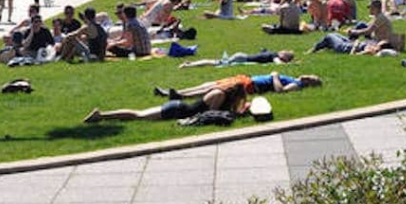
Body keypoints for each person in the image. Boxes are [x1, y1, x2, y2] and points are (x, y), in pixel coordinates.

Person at [83, 84, 247, 124]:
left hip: (179, 108)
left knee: (138, 114)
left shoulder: (219, 91)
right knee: (138, 116)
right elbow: (212, 114)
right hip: (177, 111)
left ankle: (102, 115)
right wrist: (236, 114)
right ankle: (101, 115)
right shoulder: (219, 94)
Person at [158, 71, 321, 100]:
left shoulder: (297, 84)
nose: (308, 75)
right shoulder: (295, 78)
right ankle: (176, 92)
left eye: (312, 78)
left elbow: (281, 91)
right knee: (210, 84)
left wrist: (275, 76)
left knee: (214, 89)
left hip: (250, 86)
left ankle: (181, 96)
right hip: (246, 80)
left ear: (309, 83)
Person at [178, 50, 295, 68]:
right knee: (215, 63)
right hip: (241, 59)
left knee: (216, 62)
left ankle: (191, 64)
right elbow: (278, 64)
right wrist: (291, 64)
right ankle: (189, 65)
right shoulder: (274, 55)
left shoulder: (271, 53)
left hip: (242, 56)